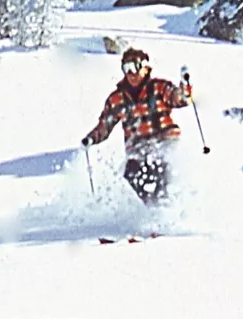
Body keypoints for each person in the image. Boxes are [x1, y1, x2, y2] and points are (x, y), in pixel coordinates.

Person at [81, 47, 193, 204]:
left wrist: (185, 87)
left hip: (164, 141)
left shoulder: (158, 88)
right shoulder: (117, 99)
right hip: (138, 147)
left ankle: (168, 206)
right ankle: (153, 208)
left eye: (134, 67)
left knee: (162, 168)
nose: (131, 73)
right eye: (126, 69)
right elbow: (105, 125)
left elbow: (179, 99)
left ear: (145, 67)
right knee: (131, 172)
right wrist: (91, 139)